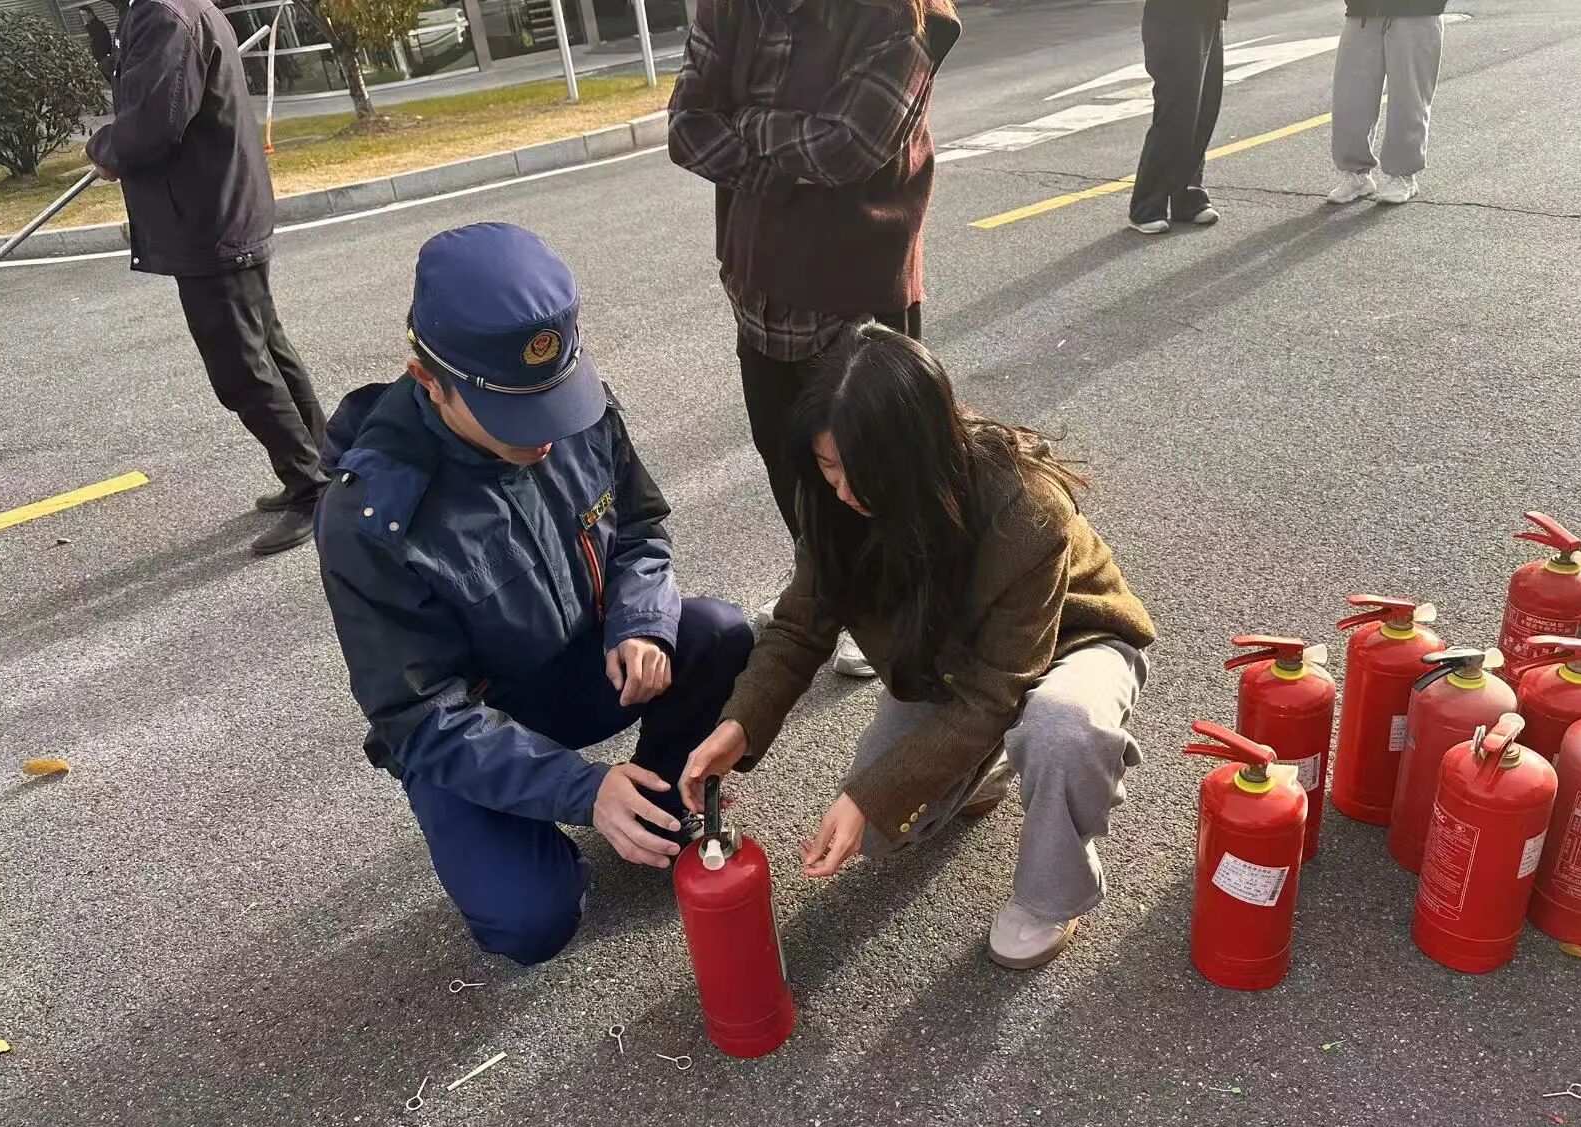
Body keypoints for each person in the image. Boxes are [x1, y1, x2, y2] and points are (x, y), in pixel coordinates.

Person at [315, 223, 754, 966]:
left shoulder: (572, 407)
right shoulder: (373, 517)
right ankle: (564, 839)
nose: (545, 436)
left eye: (552, 401)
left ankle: (656, 802)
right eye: (513, 417)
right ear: (428, 380)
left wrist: (640, 622)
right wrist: (579, 790)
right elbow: (420, 716)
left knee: (718, 632)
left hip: (586, 665)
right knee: (530, 922)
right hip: (475, 726)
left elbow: (640, 527)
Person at [682, 326, 1157, 970]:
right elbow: (798, 628)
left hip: (1076, 640)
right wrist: (739, 725)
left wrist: (870, 795)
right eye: (829, 466)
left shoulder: (1025, 508)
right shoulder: (830, 502)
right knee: (881, 830)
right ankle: (992, 764)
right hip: (955, 661)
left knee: (1062, 726)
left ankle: (1051, 897)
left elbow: (995, 692)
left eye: (863, 472)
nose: (844, 491)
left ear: (919, 453)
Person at [667, 0, 963, 679]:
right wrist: (786, 156)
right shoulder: (731, 7)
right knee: (790, 460)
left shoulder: (901, 15)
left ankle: (895, 605)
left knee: (876, 461)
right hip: (758, 285)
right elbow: (686, 130)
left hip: (855, 285)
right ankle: (830, 588)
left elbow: (849, 148)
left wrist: (745, 123)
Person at [86, 0, 328, 556]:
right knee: (266, 350)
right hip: (220, 210)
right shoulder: (174, 8)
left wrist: (104, 147)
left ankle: (312, 487)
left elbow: (156, 122)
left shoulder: (164, 14)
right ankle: (322, 464)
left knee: (242, 370)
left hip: (210, 221)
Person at [1326, 1, 1447, 206]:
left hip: (1416, 11)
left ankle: (1404, 176)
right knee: (1350, 96)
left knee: (1408, 97)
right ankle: (1357, 174)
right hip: (1362, 11)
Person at [1128, 0, 1229, 234]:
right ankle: (1146, 205)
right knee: (1177, 111)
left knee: (1204, 107)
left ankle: (1188, 195)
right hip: (1173, 17)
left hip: (1208, 11)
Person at [83, 7, 115, 83]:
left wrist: (107, 55)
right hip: (100, 59)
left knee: (112, 79)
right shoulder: (89, 26)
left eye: (84, 15)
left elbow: (101, 41)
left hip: (104, 57)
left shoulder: (99, 25)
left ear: (90, 14)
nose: (82, 18)